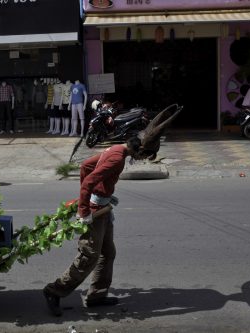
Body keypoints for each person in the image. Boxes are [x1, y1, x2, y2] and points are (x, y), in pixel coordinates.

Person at [42, 104, 182, 317]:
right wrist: (84, 210)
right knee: (89, 254)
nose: (144, 160)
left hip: (103, 207)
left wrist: (97, 194)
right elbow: (89, 179)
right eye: (146, 157)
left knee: (108, 253)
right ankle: (54, 291)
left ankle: (96, 295)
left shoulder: (116, 149)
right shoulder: (117, 159)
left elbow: (85, 167)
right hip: (96, 210)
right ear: (141, 150)